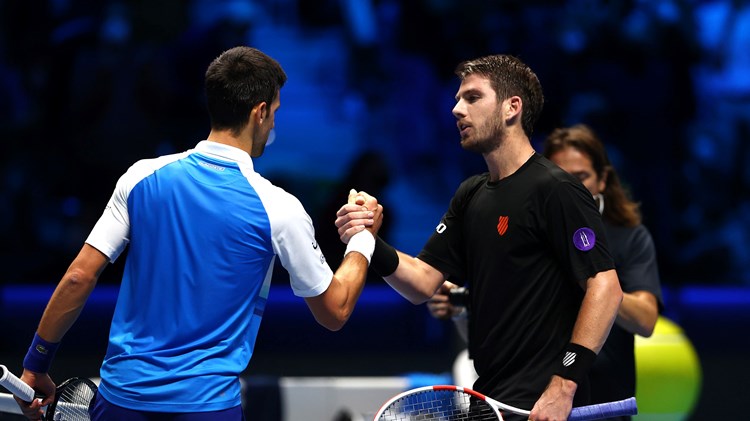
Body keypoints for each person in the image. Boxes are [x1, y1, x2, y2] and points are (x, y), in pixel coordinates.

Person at [14, 46, 382, 421]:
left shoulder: (141, 177)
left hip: (121, 402)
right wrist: (362, 237)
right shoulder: (279, 207)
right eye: (275, 112)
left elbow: (79, 276)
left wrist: (36, 363)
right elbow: (334, 311)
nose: (273, 125)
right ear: (260, 112)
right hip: (207, 408)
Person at [336, 54, 623, 421]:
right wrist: (369, 242)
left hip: (540, 406)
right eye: (458, 99)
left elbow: (605, 287)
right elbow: (422, 283)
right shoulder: (471, 194)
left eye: (472, 98)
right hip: (489, 401)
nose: (456, 109)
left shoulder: (556, 189)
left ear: (511, 108)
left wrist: (563, 385)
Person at [429, 124, 664, 421]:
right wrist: (462, 308)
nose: (571, 186)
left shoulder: (629, 237)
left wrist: (594, 280)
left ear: (603, 180)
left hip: (604, 404)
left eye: (581, 177)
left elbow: (645, 320)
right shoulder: (522, 232)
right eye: (561, 176)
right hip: (539, 403)